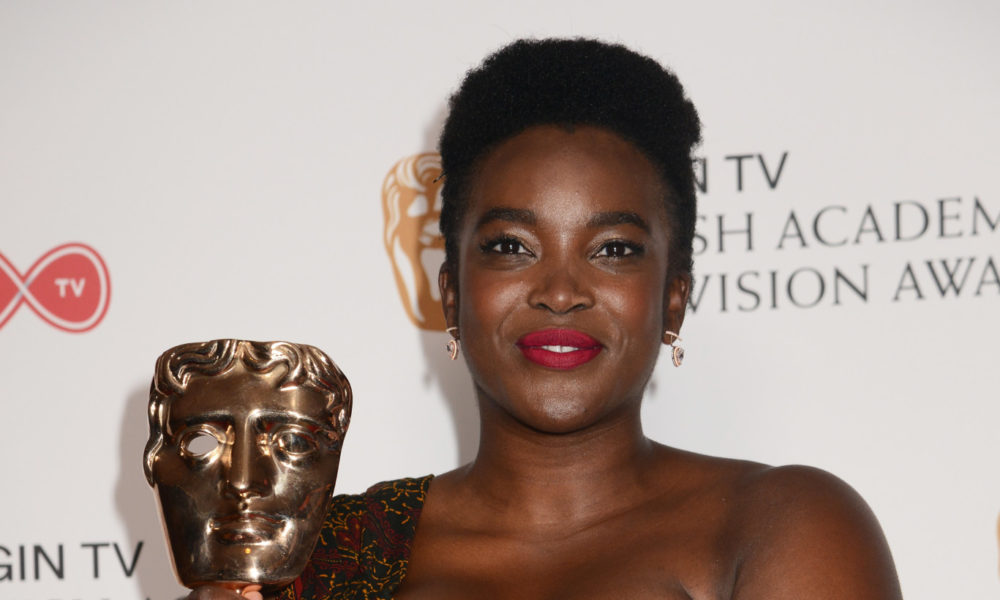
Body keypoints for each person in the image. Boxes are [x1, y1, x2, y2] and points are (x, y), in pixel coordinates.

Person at [189, 38, 902, 600]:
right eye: (511, 247)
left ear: (673, 298)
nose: (561, 292)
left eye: (614, 249)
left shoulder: (781, 524)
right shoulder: (322, 556)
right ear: (451, 294)